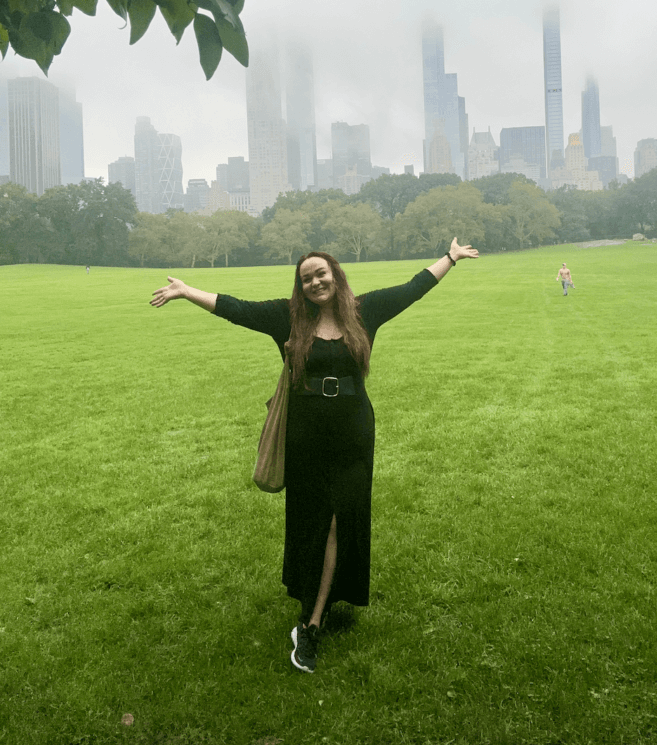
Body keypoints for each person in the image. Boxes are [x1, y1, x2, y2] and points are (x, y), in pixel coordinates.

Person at [150, 237, 479, 674]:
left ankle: (313, 619)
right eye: (306, 278)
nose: (315, 282)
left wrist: (451, 259)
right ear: (300, 286)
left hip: (354, 434)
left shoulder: (363, 312)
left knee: (344, 519)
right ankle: (312, 610)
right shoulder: (287, 319)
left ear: (335, 275)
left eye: (321, 273)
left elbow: (413, 288)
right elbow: (235, 307)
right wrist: (189, 292)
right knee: (314, 522)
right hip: (306, 437)